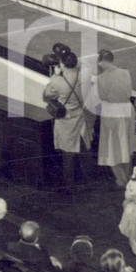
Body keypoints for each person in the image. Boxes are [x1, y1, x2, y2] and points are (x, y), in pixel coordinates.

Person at [43, 51, 93, 184]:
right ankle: (89, 178)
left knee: (68, 154)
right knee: (84, 149)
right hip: (80, 117)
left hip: (66, 120)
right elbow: (86, 64)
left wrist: (56, 73)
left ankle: (69, 184)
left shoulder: (57, 81)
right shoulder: (84, 75)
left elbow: (47, 95)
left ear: (63, 64)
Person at [91, 50, 136, 187]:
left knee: (111, 148)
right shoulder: (125, 72)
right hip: (127, 110)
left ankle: (122, 179)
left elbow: (100, 97)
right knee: (127, 145)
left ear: (101, 62)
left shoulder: (101, 78)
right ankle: (128, 177)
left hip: (112, 113)